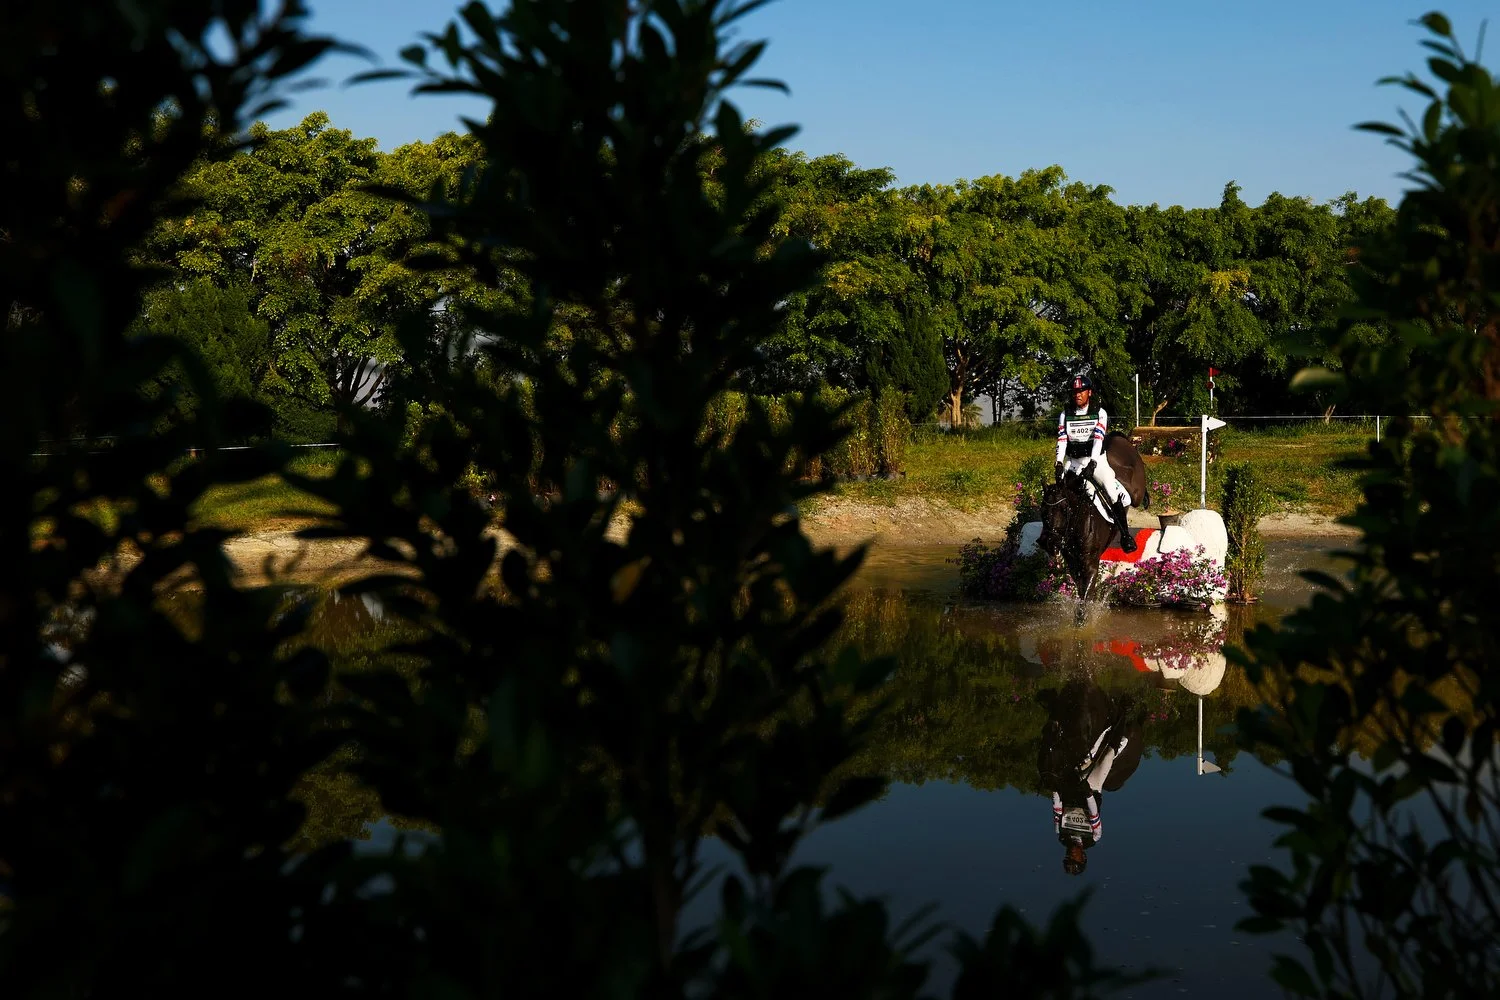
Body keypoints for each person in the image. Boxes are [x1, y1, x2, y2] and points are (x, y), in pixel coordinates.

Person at [1054, 374, 1135, 553]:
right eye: (1075, 392)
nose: (1078, 395)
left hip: (1096, 460)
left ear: (1089, 392)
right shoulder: (1065, 414)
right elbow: (1062, 439)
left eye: (1081, 391)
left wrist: (1092, 464)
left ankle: (1126, 535)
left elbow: (1098, 439)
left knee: (1111, 491)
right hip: (1073, 462)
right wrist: (1059, 463)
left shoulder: (1099, 412)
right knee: (1058, 493)